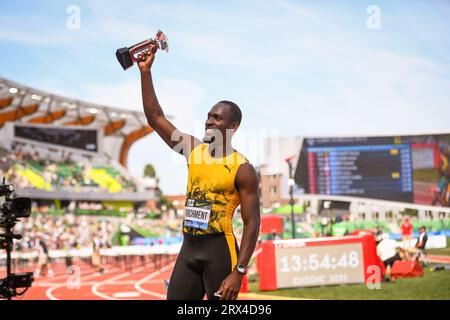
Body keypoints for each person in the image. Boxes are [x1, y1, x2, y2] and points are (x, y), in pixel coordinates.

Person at [138, 44, 260, 300]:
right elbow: (155, 117)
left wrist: (238, 270)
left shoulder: (243, 169)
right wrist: (145, 72)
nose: (209, 121)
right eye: (208, 116)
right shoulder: (193, 149)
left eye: (217, 118)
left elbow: (252, 223)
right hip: (188, 250)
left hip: (220, 252)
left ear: (233, 126)